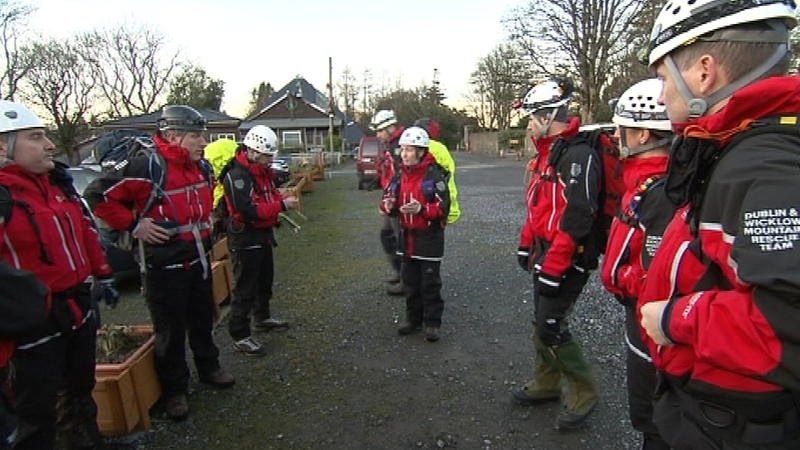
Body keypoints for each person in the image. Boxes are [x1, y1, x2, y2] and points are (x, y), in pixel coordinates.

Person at [635, 1, 800, 448]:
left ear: (704, 73)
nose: (661, 96)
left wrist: (675, 319)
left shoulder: (764, 165)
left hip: (738, 423)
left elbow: (786, 324)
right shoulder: (735, 147)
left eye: (664, 78)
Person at [94, 105, 234, 422]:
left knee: (202, 319)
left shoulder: (201, 167)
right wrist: (134, 225)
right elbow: (98, 197)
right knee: (170, 331)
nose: (203, 142)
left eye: (202, 135)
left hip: (198, 260)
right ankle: (175, 390)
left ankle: (209, 367)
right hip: (163, 267)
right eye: (196, 135)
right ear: (172, 135)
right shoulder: (147, 167)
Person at [0, 100, 120, 449]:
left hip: (76, 306)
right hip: (31, 323)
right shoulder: (4, 197)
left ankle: (87, 443)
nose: (50, 145)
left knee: (80, 389)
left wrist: (103, 273)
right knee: (35, 414)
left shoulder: (57, 185)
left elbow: (85, 232)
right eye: (36, 137)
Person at [512, 79, 602, 431]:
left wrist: (554, 266)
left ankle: (585, 392)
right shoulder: (548, 154)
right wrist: (527, 242)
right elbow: (538, 206)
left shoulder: (578, 156)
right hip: (547, 252)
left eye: (532, 118)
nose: (528, 125)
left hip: (569, 257)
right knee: (541, 320)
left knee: (551, 323)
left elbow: (578, 217)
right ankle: (547, 382)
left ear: (548, 117)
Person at [599, 78, 674, 450]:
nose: (615, 135)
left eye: (622, 127)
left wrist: (624, 279)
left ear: (643, 134)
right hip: (638, 312)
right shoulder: (643, 181)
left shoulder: (662, 191)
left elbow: (661, 275)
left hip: (650, 320)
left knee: (655, 418)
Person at [221, 125, 298, 356]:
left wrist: (280, 201)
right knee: (245, 287)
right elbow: (248, 211)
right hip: (245, 237)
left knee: (265, 280)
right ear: (253, 152)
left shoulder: (261, 172)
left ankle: (262, 317)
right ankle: (240, 334)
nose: (270, 160)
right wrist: (281, 206)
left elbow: (269, 194)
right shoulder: (237, 176)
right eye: (267, 155)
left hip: (262, 235)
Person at [380, 127, 450, 342]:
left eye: (409, 150)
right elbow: (388, 197)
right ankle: (413, 320)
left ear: (421, 151)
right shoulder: (400, 175)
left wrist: (421, 209)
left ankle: (432, 324)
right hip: (407, 238)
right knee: (410, 283)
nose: (404, 154)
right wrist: (388, 205)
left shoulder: (434, 176)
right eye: (402, 149)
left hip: (429, 238)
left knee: (430, 284)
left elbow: (443, 208)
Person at [370, 109, 405, 295]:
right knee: (388, 236)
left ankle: (406, 280)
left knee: (401, 240)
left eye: (379, 131)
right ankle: (400, 272)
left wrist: (391, 201)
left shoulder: (400, 146)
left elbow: (400, 177)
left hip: (399, 202)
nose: (377, 135)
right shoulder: (391, 145)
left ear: (389, 128)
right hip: (392, 199)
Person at [412, 118, 461, 225]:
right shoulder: (440, 148)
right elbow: (448, 176)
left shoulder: (420, 147)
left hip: (423, 206)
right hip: (443, 205)